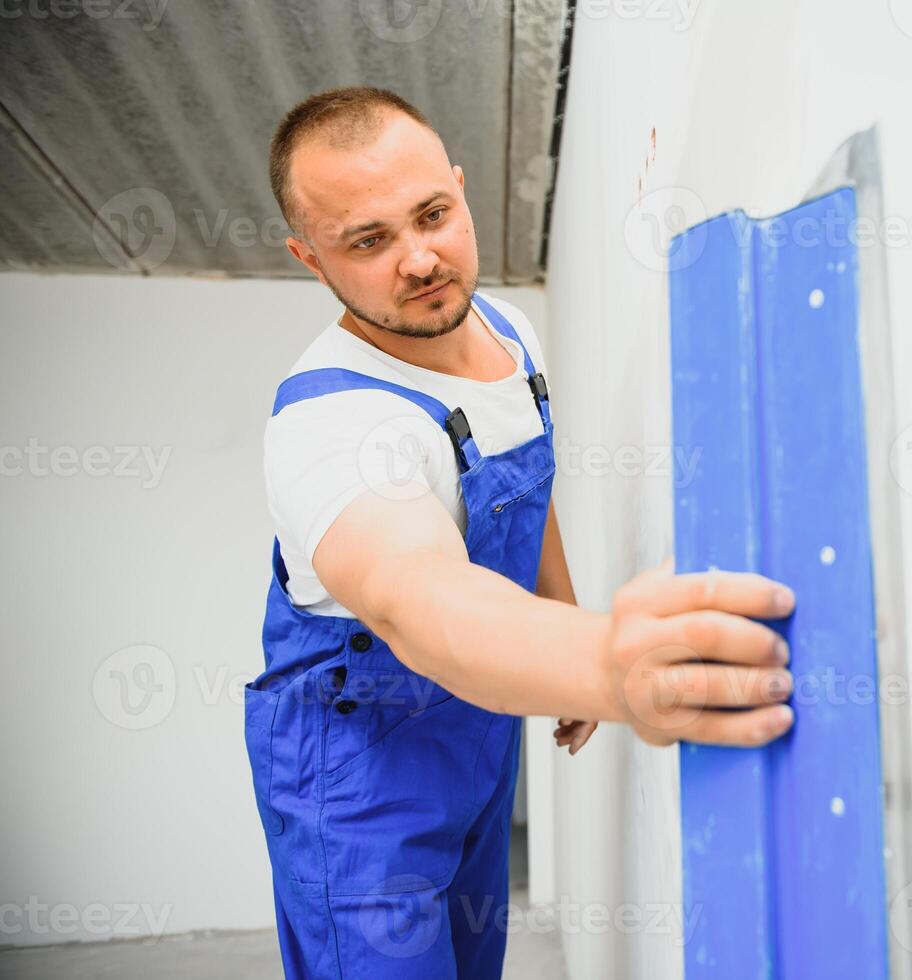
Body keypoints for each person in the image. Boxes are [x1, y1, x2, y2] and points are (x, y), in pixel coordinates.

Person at [243, 86, 796, 980]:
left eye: (433, 214)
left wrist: (565, 619)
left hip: (475, 724)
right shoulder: (330, 428)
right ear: (312, 259)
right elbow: (424, 602)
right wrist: (607, 662)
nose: (421, 259)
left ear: (459, 188)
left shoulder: (506, 330)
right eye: (370, 240)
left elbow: (525, 491)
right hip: (355, 770)